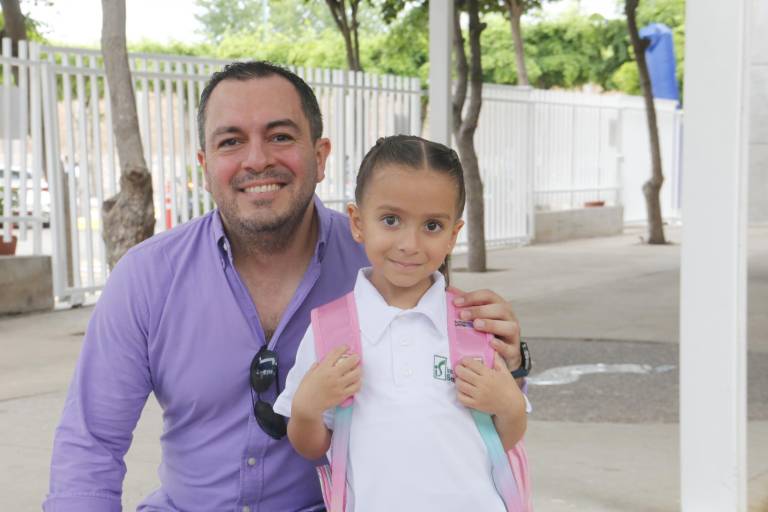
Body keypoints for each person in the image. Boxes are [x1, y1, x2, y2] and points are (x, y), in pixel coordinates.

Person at [44, 62, 527, 512]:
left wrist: (511, 359)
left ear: (320, 155)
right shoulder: (148, 276)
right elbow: (91, 443)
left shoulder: (389, 257)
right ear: (205, 163)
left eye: (280, 136)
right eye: (230, 142)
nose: (257, 160)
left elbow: (454, 389)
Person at [273, 135, 528, 512]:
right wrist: (307, 408)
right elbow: (312, 445)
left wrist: (511, 407)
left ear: (453, 235)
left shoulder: (473, 324)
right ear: (358, 223)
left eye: (432, 226)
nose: (409, 243)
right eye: (391, 220)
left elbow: (504, 437)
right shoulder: (331, 330)